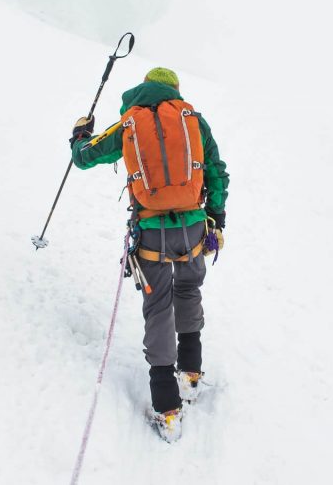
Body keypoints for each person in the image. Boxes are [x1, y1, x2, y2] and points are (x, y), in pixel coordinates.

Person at [69, 67, 229, 442]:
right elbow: (216, 170)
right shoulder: (194, 120)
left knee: (158, 307)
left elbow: (85, 157)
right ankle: (190, 374)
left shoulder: (129, 122)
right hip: (193, 227)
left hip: (151, 232)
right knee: (189, 292)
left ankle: (167, 408)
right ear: (174, 89)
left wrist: (80, 135)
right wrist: (216, 216)